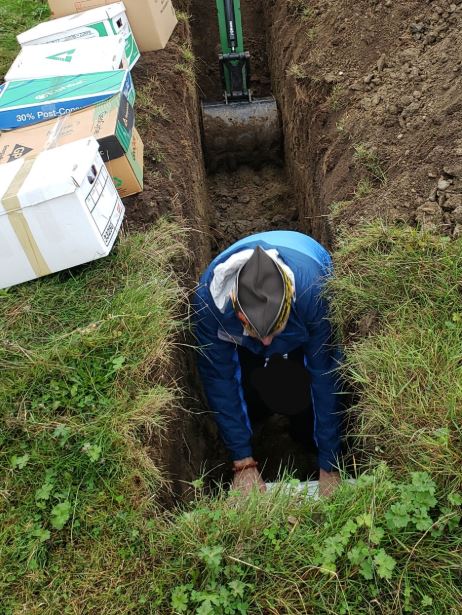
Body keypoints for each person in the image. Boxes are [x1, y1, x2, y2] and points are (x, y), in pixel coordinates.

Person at [192, 230, 343, 497]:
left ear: (288, 305)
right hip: (242, 332)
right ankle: (256, 424)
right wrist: (242, 463)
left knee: (302, 400)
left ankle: (305, 438)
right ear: (237, 310)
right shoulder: (209, 305)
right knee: (250, 382)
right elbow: (219, 378)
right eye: (256, 331)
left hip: (306, 255)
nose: (266, 343)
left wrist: (330, 465)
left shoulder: (315, 293)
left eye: (275, 330)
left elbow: (326, 374)